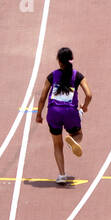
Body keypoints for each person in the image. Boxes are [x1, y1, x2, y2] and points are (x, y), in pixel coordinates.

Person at [34, 47, 92, 185]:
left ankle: (61, 175)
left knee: (57, 144)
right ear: (71, 60)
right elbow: (89, 95)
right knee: (79, 134)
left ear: (59, 61)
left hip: (53, 112)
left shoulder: (52, 76)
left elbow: (42, 98)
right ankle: (72, 139)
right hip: (70, 112)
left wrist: (38, 115)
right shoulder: (78, 76)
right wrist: (84, 107)